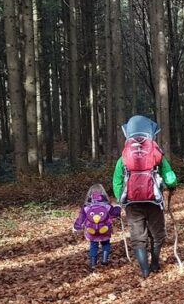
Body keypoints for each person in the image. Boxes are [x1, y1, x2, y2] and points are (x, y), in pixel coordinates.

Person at [112, 115, 178, 278]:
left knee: (137, 237)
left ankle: (145, 271)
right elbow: (170, 176)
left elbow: (117, 181)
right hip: (154, 201)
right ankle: (155, 263)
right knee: (157, 233)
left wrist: (121, 197)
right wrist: (171, 187)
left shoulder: (124, 157)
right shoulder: (155, 153)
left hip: (132, 203)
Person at [72, 184, 122, 271]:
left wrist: (76, 227)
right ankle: (104, 259)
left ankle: (93, 264)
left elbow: (81, 218)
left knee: (93, 245)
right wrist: (118, 207)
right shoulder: (106, 206)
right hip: (105, 229)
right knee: (106, 243)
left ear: (89, 194)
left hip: (92, 231)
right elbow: (115, 213)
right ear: (103, 194)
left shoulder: (86, 207)